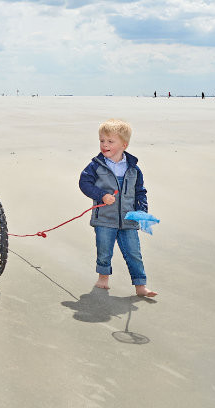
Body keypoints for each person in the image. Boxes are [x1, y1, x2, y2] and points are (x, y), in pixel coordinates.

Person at [78, 119, 156, 298]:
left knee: (134, 252)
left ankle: (140, 286)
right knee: (104, 249)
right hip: (104, 218)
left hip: (128, 219)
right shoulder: (96, 166)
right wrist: (101, 195)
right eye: (102, 140)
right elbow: (84, 182)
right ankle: (103, 278)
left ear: (124, 145)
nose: (104, 145)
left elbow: (140, 191)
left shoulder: (133, 169)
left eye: (110, 141)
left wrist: (141, 211)